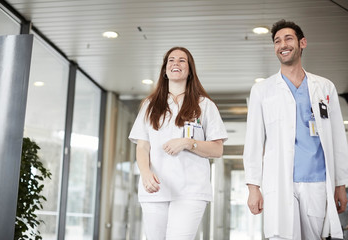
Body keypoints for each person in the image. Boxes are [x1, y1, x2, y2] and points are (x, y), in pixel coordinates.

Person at [243, 19, 348, 240]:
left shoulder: (325, 87)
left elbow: (338, 139)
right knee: (280, 236)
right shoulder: (262, 90)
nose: (282, 44)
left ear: (302, 43)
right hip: (279, 179)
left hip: (317, 180)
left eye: (288, 38)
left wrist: (340, 184)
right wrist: (253, 187)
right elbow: (253, 141)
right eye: (277, 41)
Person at [129, 46, 228, 240]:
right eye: (171, 60)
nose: (176, 63)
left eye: (182, 60)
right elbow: (142, 146)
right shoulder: (150, 105)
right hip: (155, 188)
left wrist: (188, 143)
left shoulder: (205, 105)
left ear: (190, 70)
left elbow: (217, 149)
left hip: (190, 191)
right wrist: (145, 173)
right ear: (165, 70)